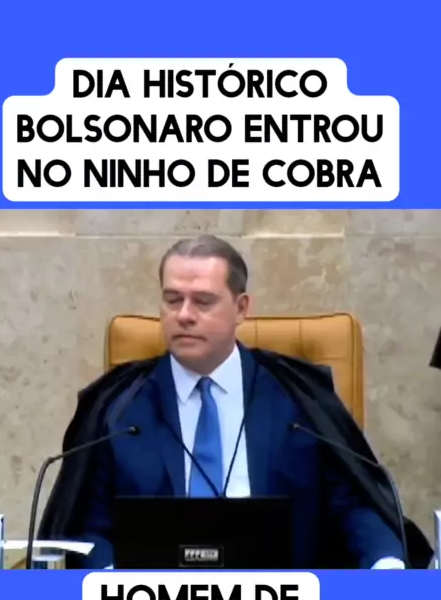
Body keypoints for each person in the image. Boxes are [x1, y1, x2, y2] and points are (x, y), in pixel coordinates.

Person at [38, 235, 432, 569]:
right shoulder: (118, 408)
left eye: (202, 301)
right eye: (172, 300)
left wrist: (386, 566)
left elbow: (355, 505)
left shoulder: (298, 399)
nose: (184, 315)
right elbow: (86, 527)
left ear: (241, 308)